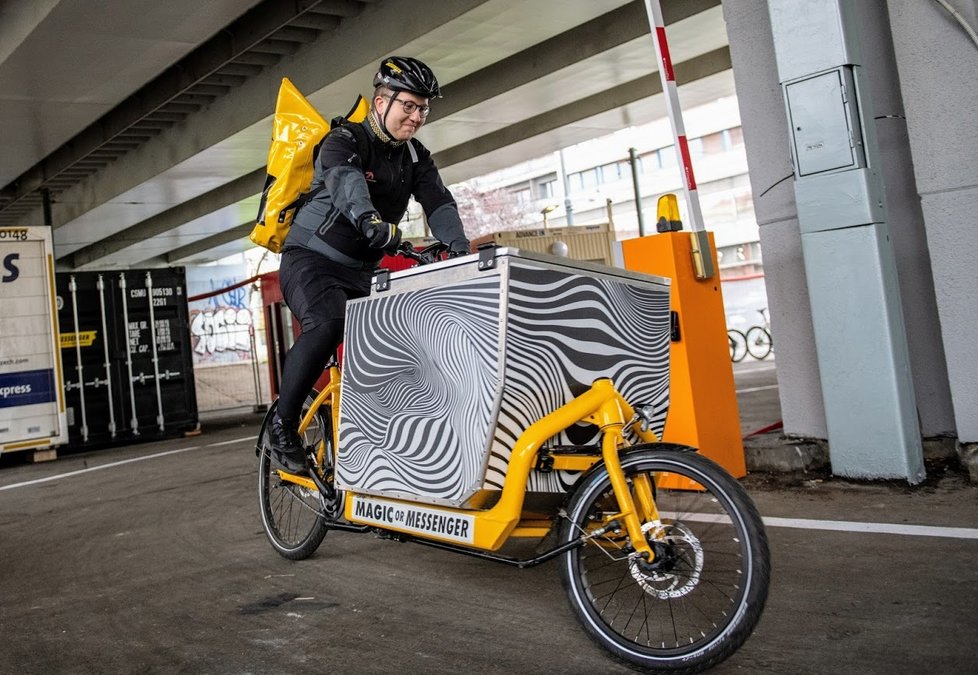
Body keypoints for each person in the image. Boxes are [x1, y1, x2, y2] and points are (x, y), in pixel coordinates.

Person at [268, 56, 470, 473]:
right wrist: (369, 222)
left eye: (423, 109)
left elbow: (439, 201)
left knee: (404, 343)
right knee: (325, 323)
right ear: (381, 102)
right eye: (409, 107)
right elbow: (348, 187)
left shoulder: (415, 157)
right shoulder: (345, 140)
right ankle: (283, 427)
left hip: (362, 271)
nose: (416, 117)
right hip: (310, 260)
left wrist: (458, 247)